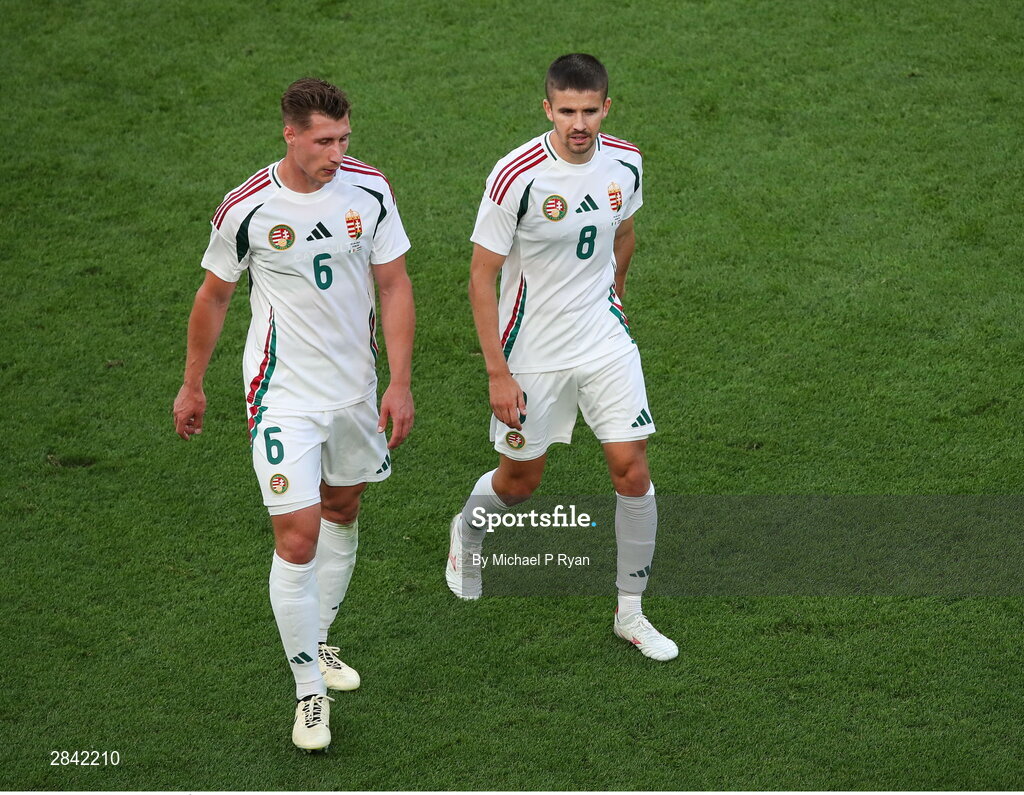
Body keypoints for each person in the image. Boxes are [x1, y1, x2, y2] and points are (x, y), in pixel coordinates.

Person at [173, 78, 415, 751]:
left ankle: (318, 640)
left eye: (344, 139)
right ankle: (309, 691)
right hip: (283, 398)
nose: (337, 152)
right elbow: (214, 297)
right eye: (323, 141)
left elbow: (393, 283)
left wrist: (399, 383)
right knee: (297, 538)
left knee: (342, 510)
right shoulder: (247, 208)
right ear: (290, 133)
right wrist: (192, 385)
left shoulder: (369, 190)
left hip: (356, 393)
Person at [445, 54, 676, 662]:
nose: (580, 122)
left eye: (590, 110)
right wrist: (497, 370)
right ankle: (468, 528)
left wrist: (615, 303)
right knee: (519, 484)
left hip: (603, 342)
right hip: (533, 353)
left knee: (632, 470)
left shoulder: (625, 163)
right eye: (567, 111)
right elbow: (481, 274)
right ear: (547, 109)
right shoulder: (515, 176)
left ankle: (631, 612)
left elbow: (624, 232)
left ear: (607, 106)